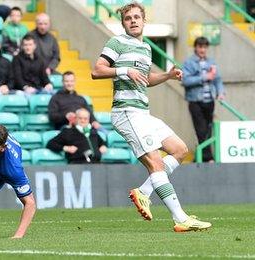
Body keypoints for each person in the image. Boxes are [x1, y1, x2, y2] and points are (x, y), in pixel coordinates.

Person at [90, 2, 211, 231]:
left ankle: (144, 191)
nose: (133, 21)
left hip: (143, 112)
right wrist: (124, 70)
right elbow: (97, 71)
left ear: (144, 21)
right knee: (155, 163)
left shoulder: (146, 48)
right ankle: (180, 219)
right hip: (126, 112)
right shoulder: (117, 42)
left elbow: (145, 78)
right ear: (123, 23)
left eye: (137, 17)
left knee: (179, 149)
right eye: (128, 18)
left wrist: (167, 75)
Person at [182, 37, 225, 163]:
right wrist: (205, 77)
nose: (202, 49)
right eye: (200, 47)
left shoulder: (211, 61)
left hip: (209, 101)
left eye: (205, 47)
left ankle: (201, 157)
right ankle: (208, 157)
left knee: (208, 129)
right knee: (201, 129)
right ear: (195, 48)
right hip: (195, 101)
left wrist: (220, 92)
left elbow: (217, 79)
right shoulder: (189, 62)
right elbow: (185, 80)